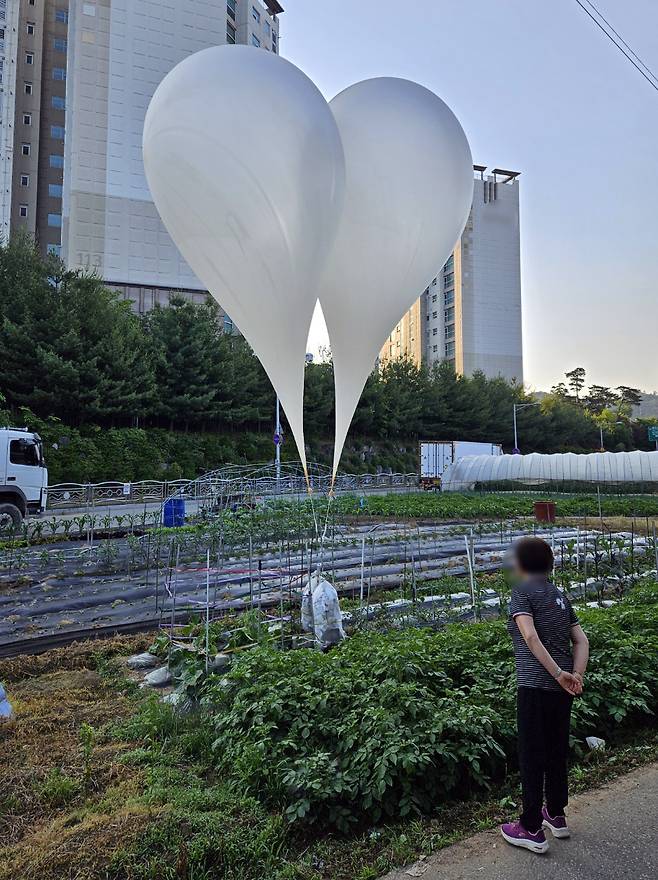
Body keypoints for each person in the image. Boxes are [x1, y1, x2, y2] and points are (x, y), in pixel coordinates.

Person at [501, 537, 590, 854]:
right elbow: (581, 640)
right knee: (555, 752)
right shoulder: (559, 596)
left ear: (521, 565)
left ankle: (529, 827)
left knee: (531, 755)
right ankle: (555, 814)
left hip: (534, 686)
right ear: (549, 565)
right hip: (561, 691)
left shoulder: (521, 592)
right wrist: (574, 675)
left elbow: (529, 635)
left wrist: (555, 673)